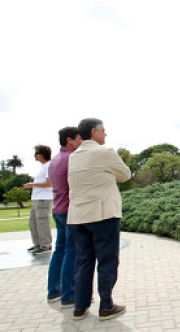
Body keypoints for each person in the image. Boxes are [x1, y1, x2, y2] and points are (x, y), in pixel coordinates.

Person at [68, 118, 131, 322]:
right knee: (107, 260)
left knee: (83, 261)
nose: (106, 134)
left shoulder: (74, 156)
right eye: (103, 130)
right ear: (94, 133)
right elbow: (126, 175)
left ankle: (80, 306)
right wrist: (110, 177)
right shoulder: (105, 153)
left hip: (78, 216)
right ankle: (106, 305)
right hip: (103, 214)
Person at [46, 127, 83, 307]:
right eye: (79, 139)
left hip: (57, 210)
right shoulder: (71, 159)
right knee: (72, 252)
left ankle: (54, 290)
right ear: (69, 140)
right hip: (69, 211)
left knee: (60, 250)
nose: (81, 142)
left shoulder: (55, 160)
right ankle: (69, 294)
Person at [25, 145, 53, 255]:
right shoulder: (41, 167)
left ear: (41, 154)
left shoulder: (48, 166)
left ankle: (45, 245)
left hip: (44, 198)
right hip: (36, 198)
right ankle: (37, 243)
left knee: (42, 222)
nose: (35, 155)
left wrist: (32, 184)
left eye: (36, 153)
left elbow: (49, 183)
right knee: (33, 222)